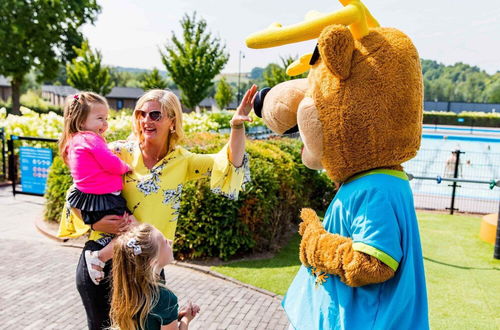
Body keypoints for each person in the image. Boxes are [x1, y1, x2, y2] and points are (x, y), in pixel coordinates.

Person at [58, 86, 257, 329]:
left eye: (155, 115)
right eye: (141, 114)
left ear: (172, 121)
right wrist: (93, 222)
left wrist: (236, 126)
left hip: (148, 268)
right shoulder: (119, 152)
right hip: (102, 263)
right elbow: (75, 192)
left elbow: (229, 162)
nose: (146, 120)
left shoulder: (183, 161)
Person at [58, 91, 133, 285]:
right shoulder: (90, 139)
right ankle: (99, 257)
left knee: (123, 231)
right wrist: (126, 167)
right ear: (81, 121)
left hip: (87, 202)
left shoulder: (73, 141)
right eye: (100, 118)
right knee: (132, 229)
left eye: (106, 118)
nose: (105, 124)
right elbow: (110, 163)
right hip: (105, 199)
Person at [110, 223, 200, 330]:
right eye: (165, 242)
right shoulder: (165, 298)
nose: (170, 241)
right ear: (153, 261)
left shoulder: (128, 290)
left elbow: (150, 321)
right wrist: (186, 319)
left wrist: (174, 317)